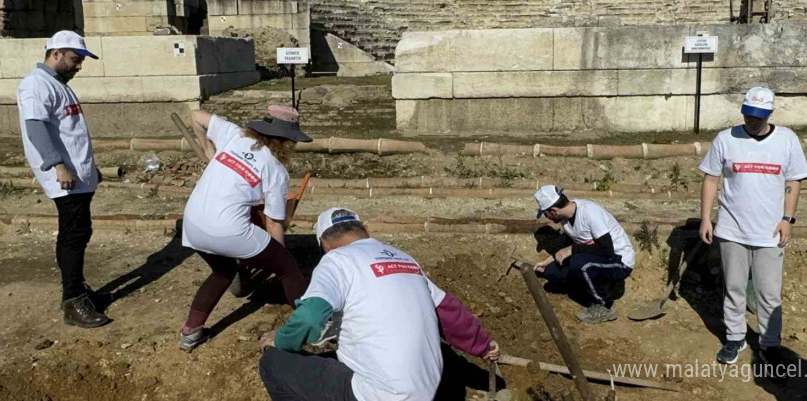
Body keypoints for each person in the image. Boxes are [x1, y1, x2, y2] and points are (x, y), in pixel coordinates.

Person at [258, 207, 500, 401]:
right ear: (365, 232)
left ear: (325, 244)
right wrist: (484, 346)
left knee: (273, 363)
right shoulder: (403, 258)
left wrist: (281, 339)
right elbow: (449, 313)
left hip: (378, 395)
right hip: (425, 392)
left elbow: (311, 316)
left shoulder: (335, 260)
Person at [178, 105, 312, 351]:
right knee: (289, 269)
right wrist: (279, 258)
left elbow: (196, 115)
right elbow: (273, 222)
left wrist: (210, 151)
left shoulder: (235, 134)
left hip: (192, 224)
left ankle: (191, 332)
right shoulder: (275, 169)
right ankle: (314, 324)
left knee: (223, 271)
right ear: (286, 141)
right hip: (227, 229)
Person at [699, 86, 807, 366]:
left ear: (770, 113)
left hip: (770, 231)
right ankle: (735, 337)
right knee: (734, 288)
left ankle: (770, 345)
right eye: (748, 114)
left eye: (758, 116)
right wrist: (705, 218)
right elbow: (711, 179)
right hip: (731, 230)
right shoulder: (726, 139)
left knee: (768, 293)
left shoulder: (786, 140)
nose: (752, 120)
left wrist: (788, 219)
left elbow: (793, 181)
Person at [17, 31, 109, 328]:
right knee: (73, 235)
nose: (78, 66)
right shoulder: (36, 84)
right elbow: (36, 128)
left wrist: (89, 167)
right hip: (64, 177)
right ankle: (72, 300)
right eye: (74, 59)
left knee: (78, 233)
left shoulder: (58, 84)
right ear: (55, 53)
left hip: (77, 174)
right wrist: (58, 165)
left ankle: (76, 289)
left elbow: (71, 132)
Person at [533, 185, 636, 324]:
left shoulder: (590, 212)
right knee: (552, 272)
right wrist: (548, 261)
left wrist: (572, 250)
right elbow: (572, 245)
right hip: (596, 259)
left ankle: (603, 306)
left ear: (554, 211)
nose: (547, 217)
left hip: (619, 261)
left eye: (546, 214)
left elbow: (606, 249)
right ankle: (596, 286)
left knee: (580, 264)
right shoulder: (565, 219)